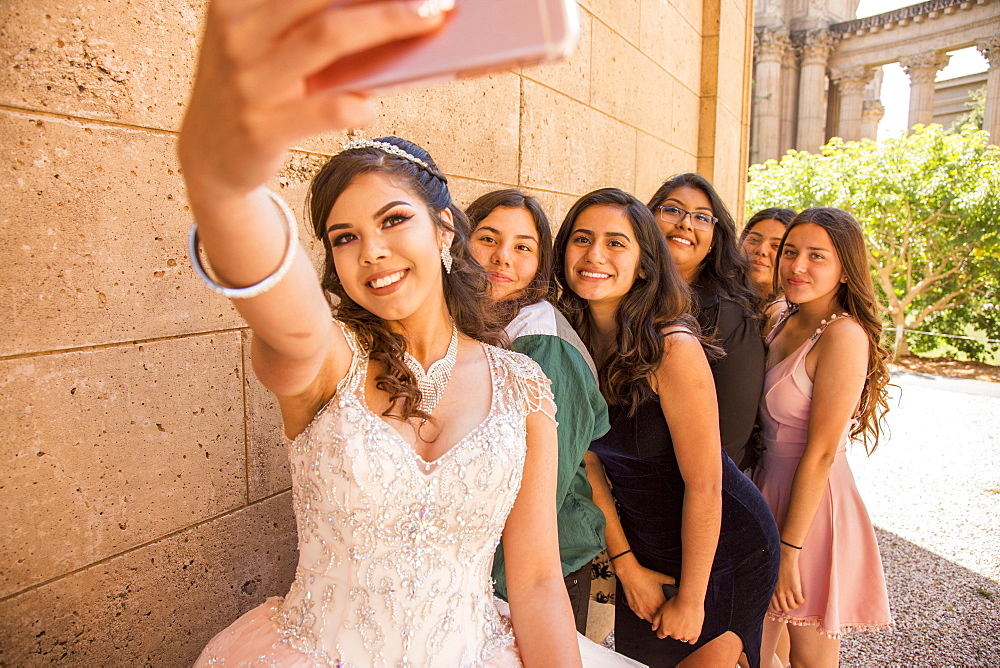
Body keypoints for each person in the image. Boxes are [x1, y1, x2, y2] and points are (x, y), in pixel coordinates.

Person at [178, 3, 638, 665]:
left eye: (394, 220)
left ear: (445, 230)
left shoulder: (523, 386)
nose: (372, 251)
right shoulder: (323, 360)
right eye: (345, 237)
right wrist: (219, 182)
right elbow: (268, 281)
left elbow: (536, 579)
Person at [553, 188, 779, 667]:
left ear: (644, 263)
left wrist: (694, 598)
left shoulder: (671, 345)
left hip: (720, 552)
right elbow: (589, 463)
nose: (595, 255)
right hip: (644, 547)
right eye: (582, 239)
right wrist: (626, 565)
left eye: (616, 243)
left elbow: (707, 482)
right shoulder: (569, 339)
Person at [466, 189, 610, 635]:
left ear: (540, 264)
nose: (502, 257)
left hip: (537, 571)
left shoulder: (542, 344)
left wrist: (493, 592)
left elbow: (543, 490)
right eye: (487, 238)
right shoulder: (470, 320)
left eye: (523, 247)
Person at [752, 208, 892, 667]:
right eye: (790, 252)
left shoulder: (844, 336)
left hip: (810, 506)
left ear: (846, 270)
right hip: (765, 489)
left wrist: (790, 551)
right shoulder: (780, 317)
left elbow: (823, 451)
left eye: (817, 256)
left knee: (809, 656)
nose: (796, 266)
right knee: (754, 644)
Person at [647, 175, 763, 470]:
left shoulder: (730, 316)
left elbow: (729, 442)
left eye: (702, 217)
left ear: (714, 241)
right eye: (672, 210)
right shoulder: (625, 298)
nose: (685, 223)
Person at [739, 208, 796, 302]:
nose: (761, 250)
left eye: (776, 246)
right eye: (754, 240)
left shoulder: (789, 311)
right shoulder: (718, 295)